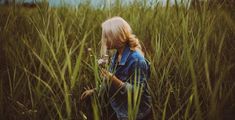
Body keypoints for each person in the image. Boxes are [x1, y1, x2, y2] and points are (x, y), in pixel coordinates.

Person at [80, 16, 152, 120]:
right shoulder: (117, 55)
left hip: (136, 114)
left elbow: (137, 93)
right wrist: (95, 91)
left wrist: (113, 79)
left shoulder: (137, 60)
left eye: (107, 36)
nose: (104, 40)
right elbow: (110, 85)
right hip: (120, 108)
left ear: (117, 36)